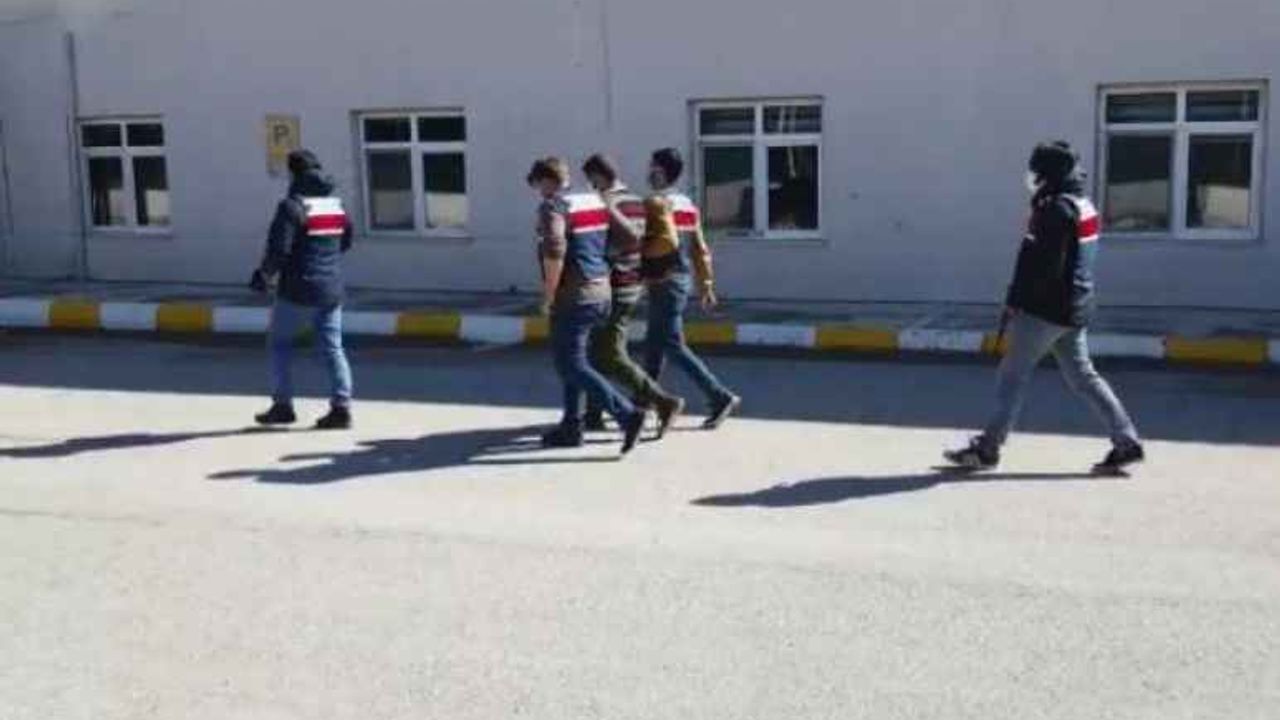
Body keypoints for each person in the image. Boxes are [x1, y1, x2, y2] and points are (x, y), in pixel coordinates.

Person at [945, 141, 1145, 473]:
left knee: (1012, 376)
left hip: (1045, 311)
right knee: (1084, 377)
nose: (1032, 176)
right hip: (1074, 308)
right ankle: (1126, 441)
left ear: (1049, 173)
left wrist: (1017, 303)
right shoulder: (1081, 204)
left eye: (1036, 169)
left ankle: (987, 449)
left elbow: (1041, 268)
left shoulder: (1054, 211)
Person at [528, 157, 646, 454]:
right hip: (602, 292)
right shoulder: (593, 199)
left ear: (546, 181)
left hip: (574, 296)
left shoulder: (554, 206)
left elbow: (555, 249)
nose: (539, 192)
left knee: (570, 363)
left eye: (538, 185)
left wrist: (549, 295)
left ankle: (627, 415)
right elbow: (630, 237)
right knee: (575, 360)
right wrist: (601, 261)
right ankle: (572, 426)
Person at [580, 154, 685, 439]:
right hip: (633, 283)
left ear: (597, 176)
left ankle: (663, 401)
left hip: (613, 285)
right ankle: (593, 413)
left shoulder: (609, 203)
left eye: (591, 179)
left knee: (610, 354)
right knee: (597, 349)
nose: (591, 185)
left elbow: (607, 243)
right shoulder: (636, 201)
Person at [250, 149, 355, 430]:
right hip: (331, 289)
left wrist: (264, 275)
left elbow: (279, 249)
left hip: (297, 290)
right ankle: (341, 408)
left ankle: (282, 406)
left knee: (279, 344)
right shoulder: (335, 206)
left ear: (293, 173)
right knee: (333, 348)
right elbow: (345, 242)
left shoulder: (291, 207)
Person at [636, 148, 741, 430]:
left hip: (664, 280)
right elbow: (699, 248)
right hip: (678, 280)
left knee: (671, 345)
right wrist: (706, 284)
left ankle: (719, 396)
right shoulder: (686, 205)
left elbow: (648, 245)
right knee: (654, 346)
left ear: (661, 171)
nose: (649, 172)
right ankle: (644, 403)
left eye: (652, 167)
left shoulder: (658, 204)